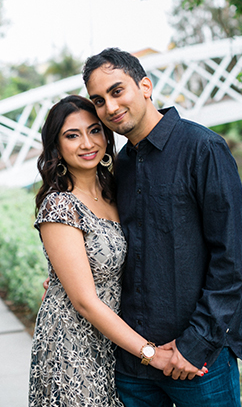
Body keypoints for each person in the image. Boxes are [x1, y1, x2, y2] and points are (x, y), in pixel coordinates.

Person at [83, 48, 242, 407]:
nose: (109, 107)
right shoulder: (118, 167)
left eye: (116, 91)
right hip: (133, 365)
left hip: (199, 363)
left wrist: (195, 345)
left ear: (145, 86)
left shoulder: (203, 149)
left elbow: (229, 260)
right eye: (98, 100)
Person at [29, 95, 183, 407]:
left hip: (114, 341)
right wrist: (149, 353)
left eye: (95, 130)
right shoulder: (60, 204)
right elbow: (84, 301)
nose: (87, 143)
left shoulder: (115, 189)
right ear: (56, 146)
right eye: (72, 135)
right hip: (72, 342)